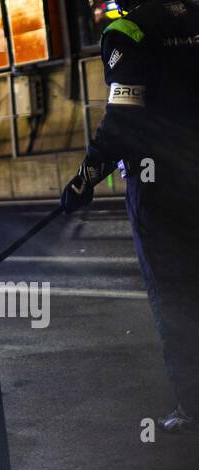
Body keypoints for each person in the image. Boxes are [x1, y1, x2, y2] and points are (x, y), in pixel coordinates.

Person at [61, 0, 199, 432]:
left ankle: (192, 405)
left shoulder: (128, 33)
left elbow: (123, 118)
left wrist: (85, 179)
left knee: (176, 296)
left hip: (162, 189)